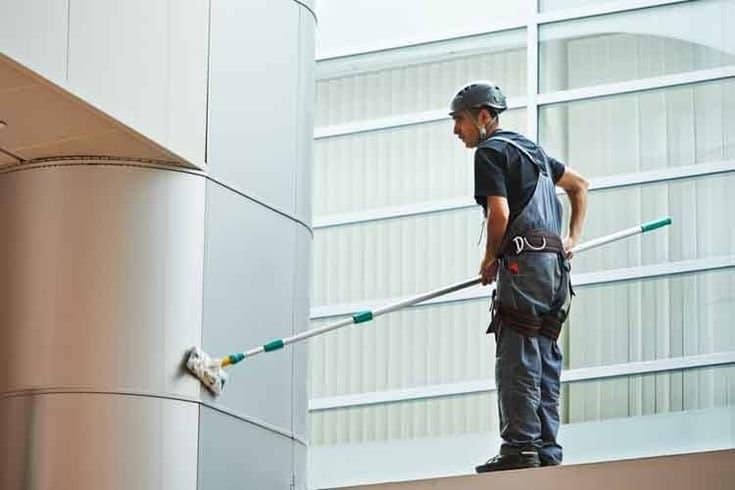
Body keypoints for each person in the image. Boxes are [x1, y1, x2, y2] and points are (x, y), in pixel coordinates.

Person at [449, 81, 589, 472]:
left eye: (459, 120)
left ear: (483, 116)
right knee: (543, 353)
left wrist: (490, 258)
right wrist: (570, 239)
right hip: (555, 272)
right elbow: (579, 186)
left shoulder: (490, 152)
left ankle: (520, 448)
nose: (456, 130)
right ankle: (545, 448)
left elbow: (500, 214)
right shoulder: (533, 152)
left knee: (517, 354)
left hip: (524, 268)